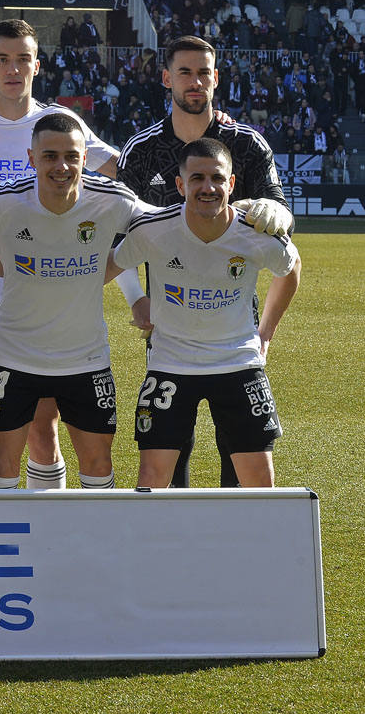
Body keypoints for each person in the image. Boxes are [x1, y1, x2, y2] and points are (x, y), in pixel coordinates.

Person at [0, 19, 120, 490]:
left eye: (23, 59)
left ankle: (45, 543)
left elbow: (115, 168)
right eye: (3, 60)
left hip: (43, 297)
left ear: (37, 64)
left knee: (42, 428)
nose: (13, 69)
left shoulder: (61, 126)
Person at [115, 35, 293, 488]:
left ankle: (237, 549)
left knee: (241, 454)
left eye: (204, 73)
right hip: (169, 321)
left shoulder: (247, 144)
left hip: (234, 322)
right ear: (166, 78)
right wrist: (137, 299)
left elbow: (280, 221)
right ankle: (173, 547)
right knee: (170, 452)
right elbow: (121, 241)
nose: (195, 82)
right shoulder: (142, 151)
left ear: (216, 78)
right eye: (185, 72)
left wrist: (265, 331)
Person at [0, 112, 146, 490]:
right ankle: (4, 546)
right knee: (3, 464)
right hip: (12, 356)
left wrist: (244, 213)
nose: (62, 166)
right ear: (31, 158)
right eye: (50, 156)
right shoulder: (1, 198)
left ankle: (88, 549)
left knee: (98, 462)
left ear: (84, 159)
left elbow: (166, 227)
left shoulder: (112, 200)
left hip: (85, 359)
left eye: (72, 156)